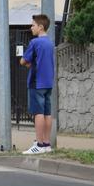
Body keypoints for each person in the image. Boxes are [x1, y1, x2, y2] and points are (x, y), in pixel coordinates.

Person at [20, 14, 55, 155]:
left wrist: (27, 62)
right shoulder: (50, 43)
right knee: (47, 113)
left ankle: (39, 144)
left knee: (38, 113)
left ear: (40, 27)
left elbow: (23, 61)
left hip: (36, 81)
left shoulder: (35, 42)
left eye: (33, 25)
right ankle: (46, 144)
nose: (31, 27)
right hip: (48, 82)